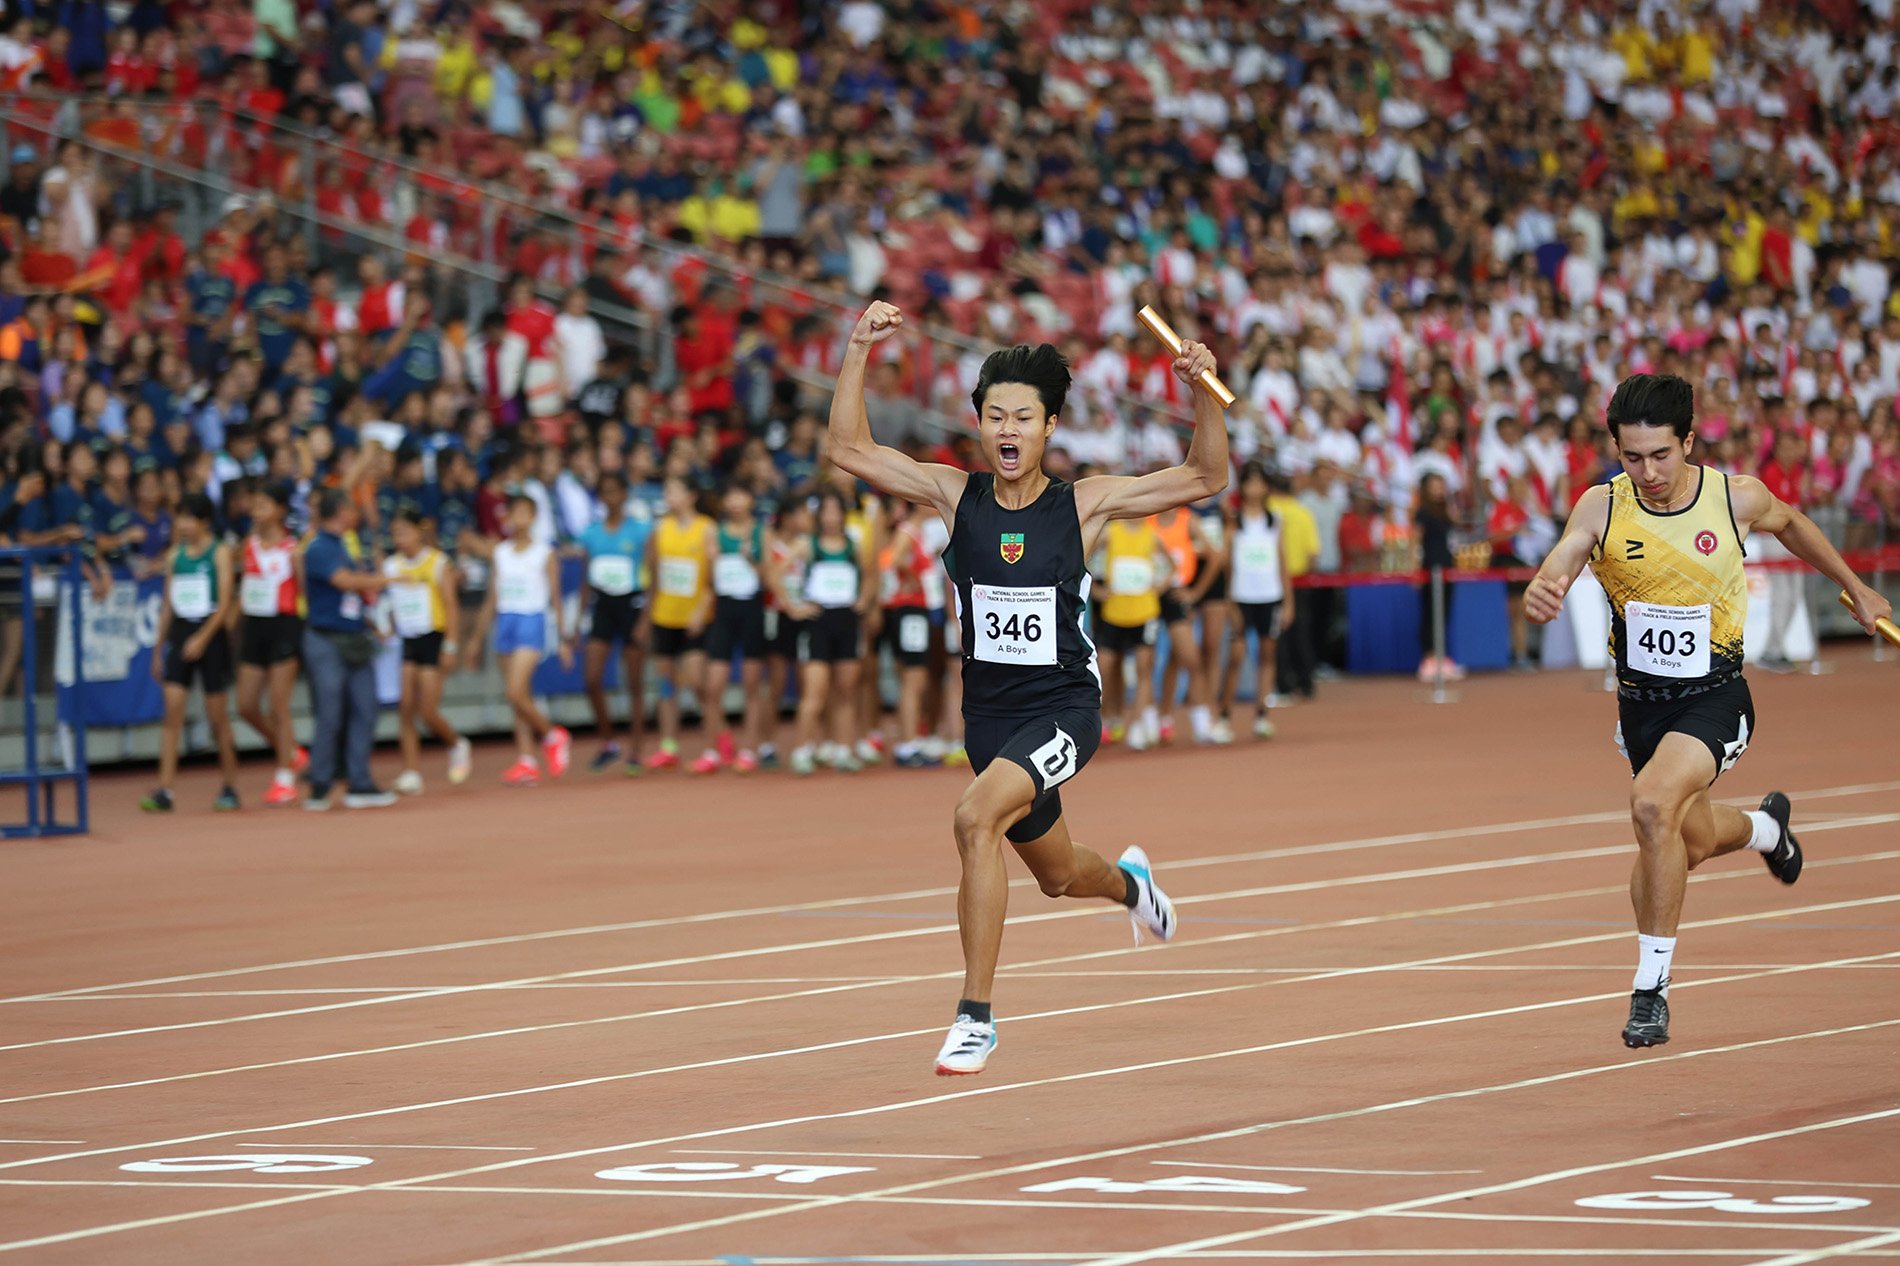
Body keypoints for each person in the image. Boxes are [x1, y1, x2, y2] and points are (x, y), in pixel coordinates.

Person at [829, 299, 1228, 1076]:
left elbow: (1207, 475)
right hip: (990, 723)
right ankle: (1130, 887)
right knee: (1056, 875)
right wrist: (856, 350)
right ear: (979, 425)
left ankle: (975, 1017)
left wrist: (1204, 391)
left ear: (1050, 429)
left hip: (1063, 712)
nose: (1008, 430)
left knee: (975, 819)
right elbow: (847, 447)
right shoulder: (956, 496)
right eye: (995, 416)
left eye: (1024, 417)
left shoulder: (1085, 503)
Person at [1524, 373, 1893, 1049]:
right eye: (1631, 458)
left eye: (1661, 455)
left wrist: (1858, 589)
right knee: (1682, 842)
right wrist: (1543, 588)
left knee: (1651, 806)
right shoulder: (1601, 507)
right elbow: (1564, 558)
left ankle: (1651, 990)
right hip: (1641, 708)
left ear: (1688, 440)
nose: (1648, 471)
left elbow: (1795, 525)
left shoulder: (1734, 496)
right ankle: (1764, 829)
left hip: (1718, 697)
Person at [140, 493, 240, 813]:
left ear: (204, 522)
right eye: (179, 518)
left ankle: (229, 785)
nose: (182, 525)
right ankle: (165, 790)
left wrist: (202, 638)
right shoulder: (174, 556)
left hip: (210, 635)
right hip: (182, 632)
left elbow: (224, 603)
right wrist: (158, 650)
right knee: (172, 713)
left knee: (217, 717)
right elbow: (168, 605)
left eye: (189, 519)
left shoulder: (219, 553)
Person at [301, 487, 396, 810]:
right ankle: (320, 783)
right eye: (353, 509)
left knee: (366, 708)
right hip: (326, 640)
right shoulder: (319, 548)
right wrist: (387, 580)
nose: (356, 515)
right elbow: (344, 582)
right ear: (340, 511)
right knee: (330, 713)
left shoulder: (343, 545)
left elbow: (352, 596)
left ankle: (360, 782)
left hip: (354, 637)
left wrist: (371, 621)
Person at [485, 493, 573, 785]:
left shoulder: (544, 553)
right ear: (507, 517)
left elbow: (556, 598)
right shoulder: (500, 552)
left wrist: (563, 639)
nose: (520, 518)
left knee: (515, 691)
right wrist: (475, 640)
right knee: (519, 698)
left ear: (534, 517)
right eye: (514, 513)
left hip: (531, 621)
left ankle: (552, 736)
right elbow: (493, 595)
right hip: (506, 621)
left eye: (526, 512)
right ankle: (526, 759)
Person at [383, 509, 472, 793]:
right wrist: (387, 625)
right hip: (408, 639)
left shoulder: (437, 563)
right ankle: (411, 772)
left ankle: (456, 743)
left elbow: (451, 604)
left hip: (433, 638)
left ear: (418, 532)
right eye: (395, 534)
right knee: (405, 706)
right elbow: (390, 602)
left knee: (427, 710)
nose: (400, 539)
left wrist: (451, 645)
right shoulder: (392, 566)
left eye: (405, 532)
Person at [789, 486, 869, 774]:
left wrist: (864, 599)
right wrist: (793, 606)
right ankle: (802, 749)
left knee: (846, 691)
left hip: (846, 621)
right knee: (815, 692)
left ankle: (844, 749)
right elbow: (774, 570)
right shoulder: (808, 545)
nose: (832, 517)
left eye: (837, 511)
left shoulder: (853, 545)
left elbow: (870, 575)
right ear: (819, 515)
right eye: (826, 511)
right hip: (818, 621)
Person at [234, 481, 305, 806]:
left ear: (279, 511)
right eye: (254, 505)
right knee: (246, 705)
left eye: (263, 506)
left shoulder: (293, 550)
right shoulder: (247, 545)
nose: (256, 511)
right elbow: (242, 588)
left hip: (283, 627)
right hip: (254, 628)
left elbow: (303, 595)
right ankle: (290, 751)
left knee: (279, 705)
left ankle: (284, 778)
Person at [577, 470, 651, 773]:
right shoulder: (590, 534)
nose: (611, 498)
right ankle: (608, 742)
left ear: (624, 495)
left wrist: (646, 618)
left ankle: (636, 749)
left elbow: (653, 576)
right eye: (604, 492)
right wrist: (577, 619)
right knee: (592, 679)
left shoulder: (641, 531)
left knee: (634, 682)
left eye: (615, 491)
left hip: (632, 605)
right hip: (603, 607)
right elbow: (585, 580)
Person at [695, 482, 771, 774]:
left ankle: (750, 749)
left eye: (741, 494)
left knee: (752, 685)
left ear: (750, 499)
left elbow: (767, 576)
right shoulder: (715, 532)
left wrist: (751, 559)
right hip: (724, 611)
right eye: (730, 495)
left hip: (751, 609)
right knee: (713, 687)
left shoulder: (759, 532)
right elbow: (710, 581)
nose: (736, 501)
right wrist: (713, 560)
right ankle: (714, 749)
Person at [643, 475, 713, 770]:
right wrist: (648, 614)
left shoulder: (706, 529)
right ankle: (669, 745)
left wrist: (701, 609)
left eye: (675, 490)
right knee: (667, 685)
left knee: (698, 682)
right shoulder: (660, 530)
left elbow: (712, 579)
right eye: (667, 491)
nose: (669, 497)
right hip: (665, 616)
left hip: (695, 618)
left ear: (691, 495)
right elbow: (654, 575)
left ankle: (714, 743)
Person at [1224, 460, 1294, 740]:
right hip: (1242, 597)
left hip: (1270, 596)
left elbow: (1282, 563)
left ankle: (1262, 715)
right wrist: (1230, 604)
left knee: (1267, 654)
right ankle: (1224, 715)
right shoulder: (1234, 521)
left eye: (1259, 482)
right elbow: (1228, 567)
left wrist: (1288, 602)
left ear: (1266, 487)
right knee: (1236, 656)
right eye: (1249, 482)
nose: (1255, 488)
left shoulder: (1274, 521)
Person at [1091, 513, 1168, 750]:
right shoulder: (1110, 533)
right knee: (1102, 668)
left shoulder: (1152, 535)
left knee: (1144, 670)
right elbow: (1082, 558)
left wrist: (1159, 587)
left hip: (1144, 614)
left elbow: (1171, 566)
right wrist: (1095, 590)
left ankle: (1136, 726)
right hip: (1114, 613)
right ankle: (1106, 721)